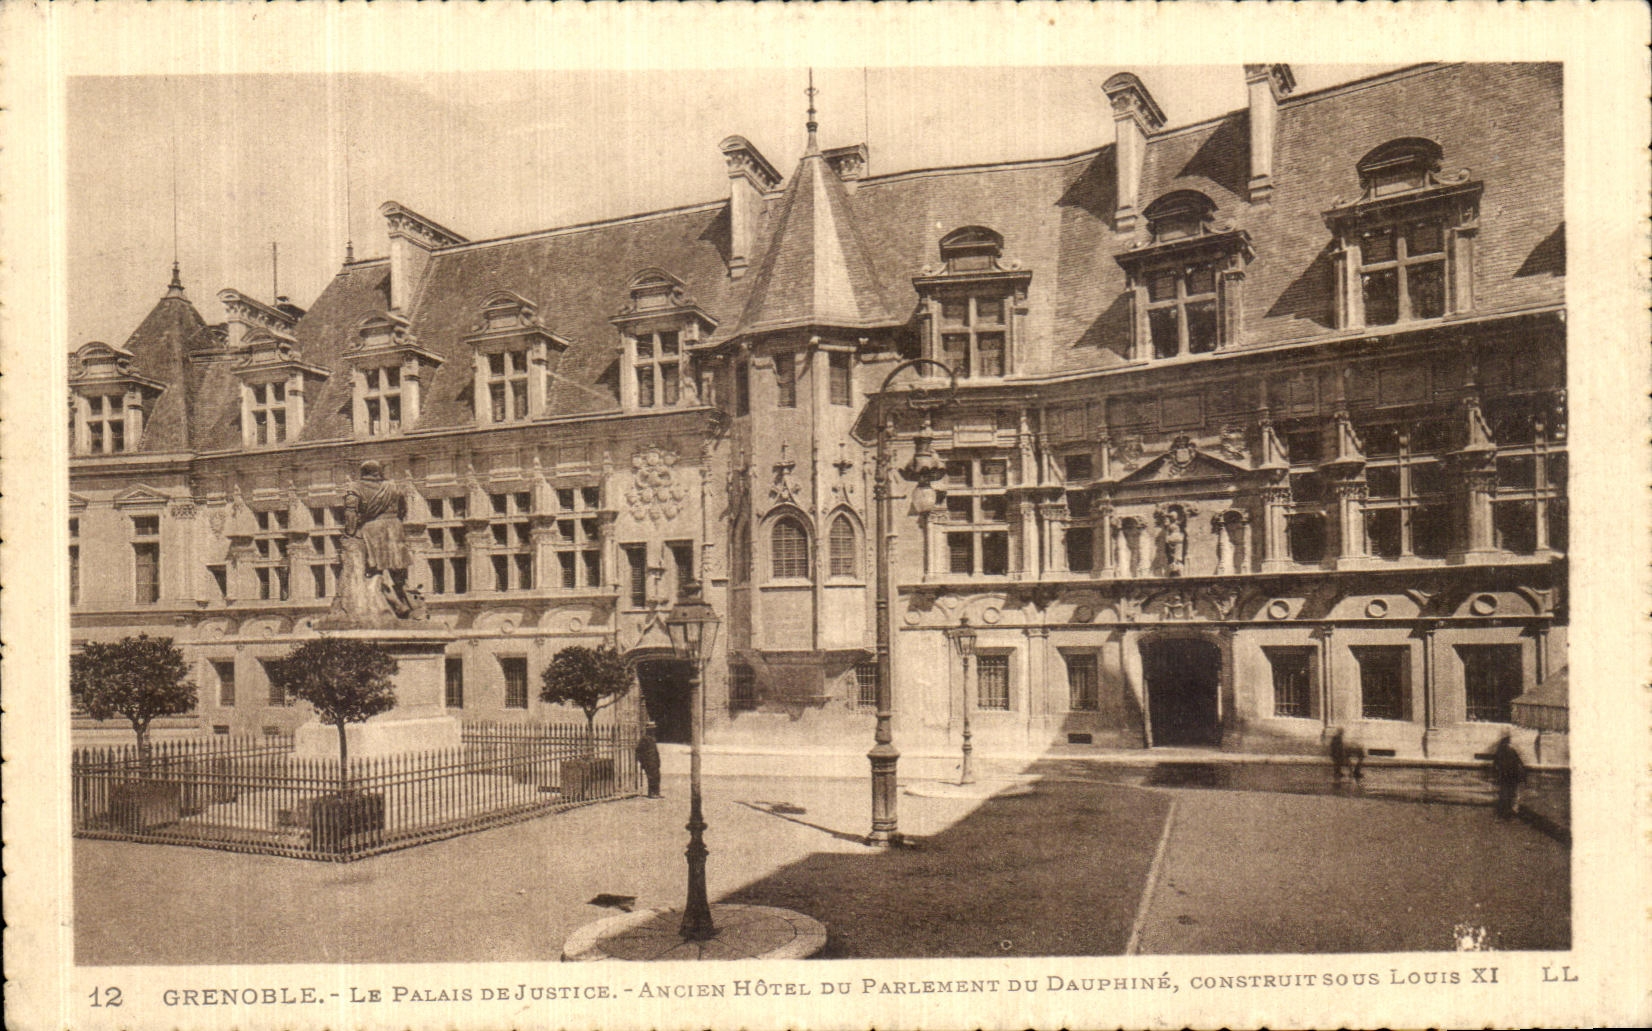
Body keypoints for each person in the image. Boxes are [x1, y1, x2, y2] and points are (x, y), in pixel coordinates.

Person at [341, 460, 416, 618]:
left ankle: (391, 604)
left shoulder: (355, 488)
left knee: (372, 571)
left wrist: (350, 532)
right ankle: (409, 605)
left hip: (373, 529)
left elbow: (350, 514)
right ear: (378, 472)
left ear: (363, 473)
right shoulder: (393, 487)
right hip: (395, 528)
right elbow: (404, 509)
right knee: (399, 571)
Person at [1491, 734, 1526, 818]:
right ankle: (1513, 809)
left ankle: (1506, 809)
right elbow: (1519, 762)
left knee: (1505, 791)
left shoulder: (1501, 750)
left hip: (1506, 774)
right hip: (1513, 774)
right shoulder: (1512, 750)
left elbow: (1496, 763)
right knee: (1513, 792)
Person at [635, 723, 662, 798]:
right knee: (651, 777)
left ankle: (656, 792)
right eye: (652, 729)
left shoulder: (652, 738)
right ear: (648, 730)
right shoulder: (644, 739)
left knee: (657, 776)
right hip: (648, 762)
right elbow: (638, 750)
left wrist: (658, 761)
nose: (653, 731)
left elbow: (656, 751)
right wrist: (642, 761)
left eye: (654, 729)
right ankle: (651, 793)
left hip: (654, 761)